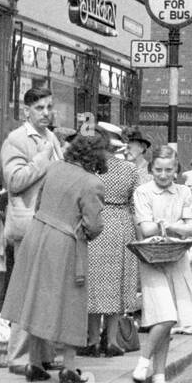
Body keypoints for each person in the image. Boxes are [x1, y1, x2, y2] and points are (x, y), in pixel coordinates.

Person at [0, 132, 106, 383]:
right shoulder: (92, 183)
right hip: (64, 243)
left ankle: (34, 364)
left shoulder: (55, 168)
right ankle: (69, 368)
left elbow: (38, 204)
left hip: (37, 235)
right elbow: (94, 224)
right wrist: (83, 232)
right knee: (69, 302)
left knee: (37, 298)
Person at [0, 87, 64, 376]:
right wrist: (42, 157)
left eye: (49, 107)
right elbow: (14, 181)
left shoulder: (52, 137)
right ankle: (20, 356)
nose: (46, 113)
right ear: (27, 111)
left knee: (47, 291)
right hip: (27, 226)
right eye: (40, 108)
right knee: (26, 291)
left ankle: (43, 354)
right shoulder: (17, 139)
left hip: (52, 223)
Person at [131, 150, 192, 383]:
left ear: (176, 170)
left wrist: (166, 225)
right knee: (166, 315)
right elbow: (146, 229)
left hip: (177, 257)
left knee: (168, 323)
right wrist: (174, 227)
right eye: (158, 169)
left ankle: (159, 380)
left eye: (169, 170)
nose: (163, 174)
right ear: (151, 169)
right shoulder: (143, 192)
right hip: (151, 258)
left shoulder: (184, 192)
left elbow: (191, 228)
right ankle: (143, 361)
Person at [83, 120, 140, 358]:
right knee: (118, 283)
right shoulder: (130, 169)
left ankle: (93, 340)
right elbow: (136, 204)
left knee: (95, 283)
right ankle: (113, 340)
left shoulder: (89, 168)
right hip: (122, 225)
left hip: (96, 222)